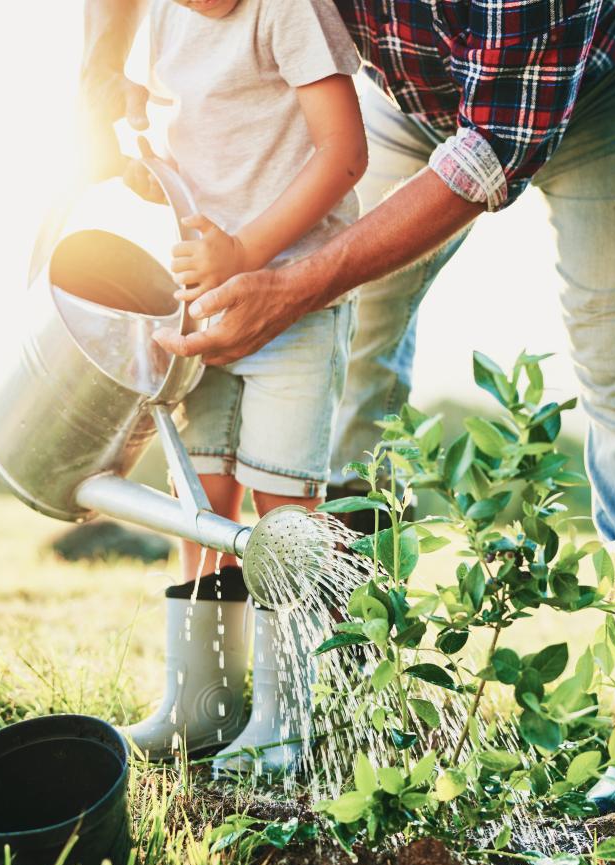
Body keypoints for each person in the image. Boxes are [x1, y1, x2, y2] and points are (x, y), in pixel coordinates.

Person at [82, 0, 615, 819]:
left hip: (593, 88)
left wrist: (302, 282)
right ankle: (325, 684)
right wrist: (100, 71)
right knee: (355, 360)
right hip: (408, 95)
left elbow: (494, 149)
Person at [97, 0, 366, 777]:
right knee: (201, 500)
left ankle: (288, 721)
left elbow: (344, 154)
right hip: (207, 309)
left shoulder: (287, 11)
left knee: (283, 517)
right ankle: (202, 705)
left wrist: (246, 248)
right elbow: (192, 140)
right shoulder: (163, 20)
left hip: (294, 307)